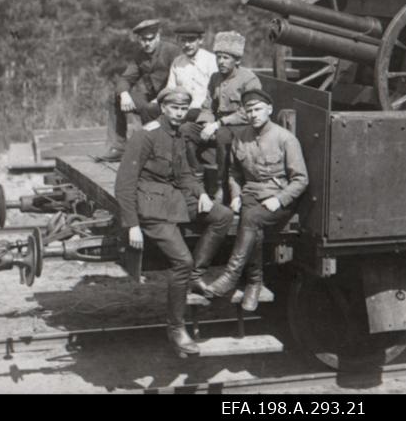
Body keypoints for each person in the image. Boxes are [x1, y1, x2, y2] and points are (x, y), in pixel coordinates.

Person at [114, 87, 233, 357]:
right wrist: (132, 224)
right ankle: (176, 328)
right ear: (164, 108)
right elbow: (124, 183)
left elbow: (185, 174)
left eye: (183, 108)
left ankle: (195, 276)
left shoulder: (179, 134)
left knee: (223, 216)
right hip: (153, 208)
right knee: (182, 261)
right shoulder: (147, 135)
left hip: (175, 199)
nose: (179, 113)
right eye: (174, 108)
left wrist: (202, 194)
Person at [204, 88, 308, 312]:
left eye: (258, 109)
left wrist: (279, 200)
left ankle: (231, 276)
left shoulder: (285, 139)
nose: (253, 114)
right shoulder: (241, 137)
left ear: (269, 110)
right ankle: (254, 283)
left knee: (250, 219)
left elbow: (300, 180)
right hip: (251, 195)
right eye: (249, 110)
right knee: (252, 225)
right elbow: (234, 172)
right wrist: (236, 196)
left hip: (279, 200)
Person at [190, 31, 262, 200]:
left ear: (237, 60)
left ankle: (221, 186)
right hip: (217, 124)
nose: (220, 62)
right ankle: (196, 178)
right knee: (187, 130)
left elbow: (248, 112)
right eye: (218, 57)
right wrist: (206, 123)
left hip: (241, 127)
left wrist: (218, 124)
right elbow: (208, 105)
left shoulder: (249, 79)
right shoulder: (215, 77)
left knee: (222, 136)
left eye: (226, 58)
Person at [96, 19, 181, 162]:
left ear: (158, 37)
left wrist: (161, 98)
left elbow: (181, 80)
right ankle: (118, 147)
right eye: (143, 40)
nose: (147, 43)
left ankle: (156, 150)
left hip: (172, 99)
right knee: (114, 98)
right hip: (151, 98)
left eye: (150, 39)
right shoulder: (140, 55)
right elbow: (126, 78)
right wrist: (124, 94)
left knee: (150, 107)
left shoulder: (172, 51)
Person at [165, 22, 218, 121]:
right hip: (181, 108)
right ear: (178, 41)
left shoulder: (211, 60)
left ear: (200, 40)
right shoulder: (177, 62)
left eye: (191, 40)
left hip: (205, 110)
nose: (187, 45)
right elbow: (171, 88)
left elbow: (217, 90)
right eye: (183, 40)